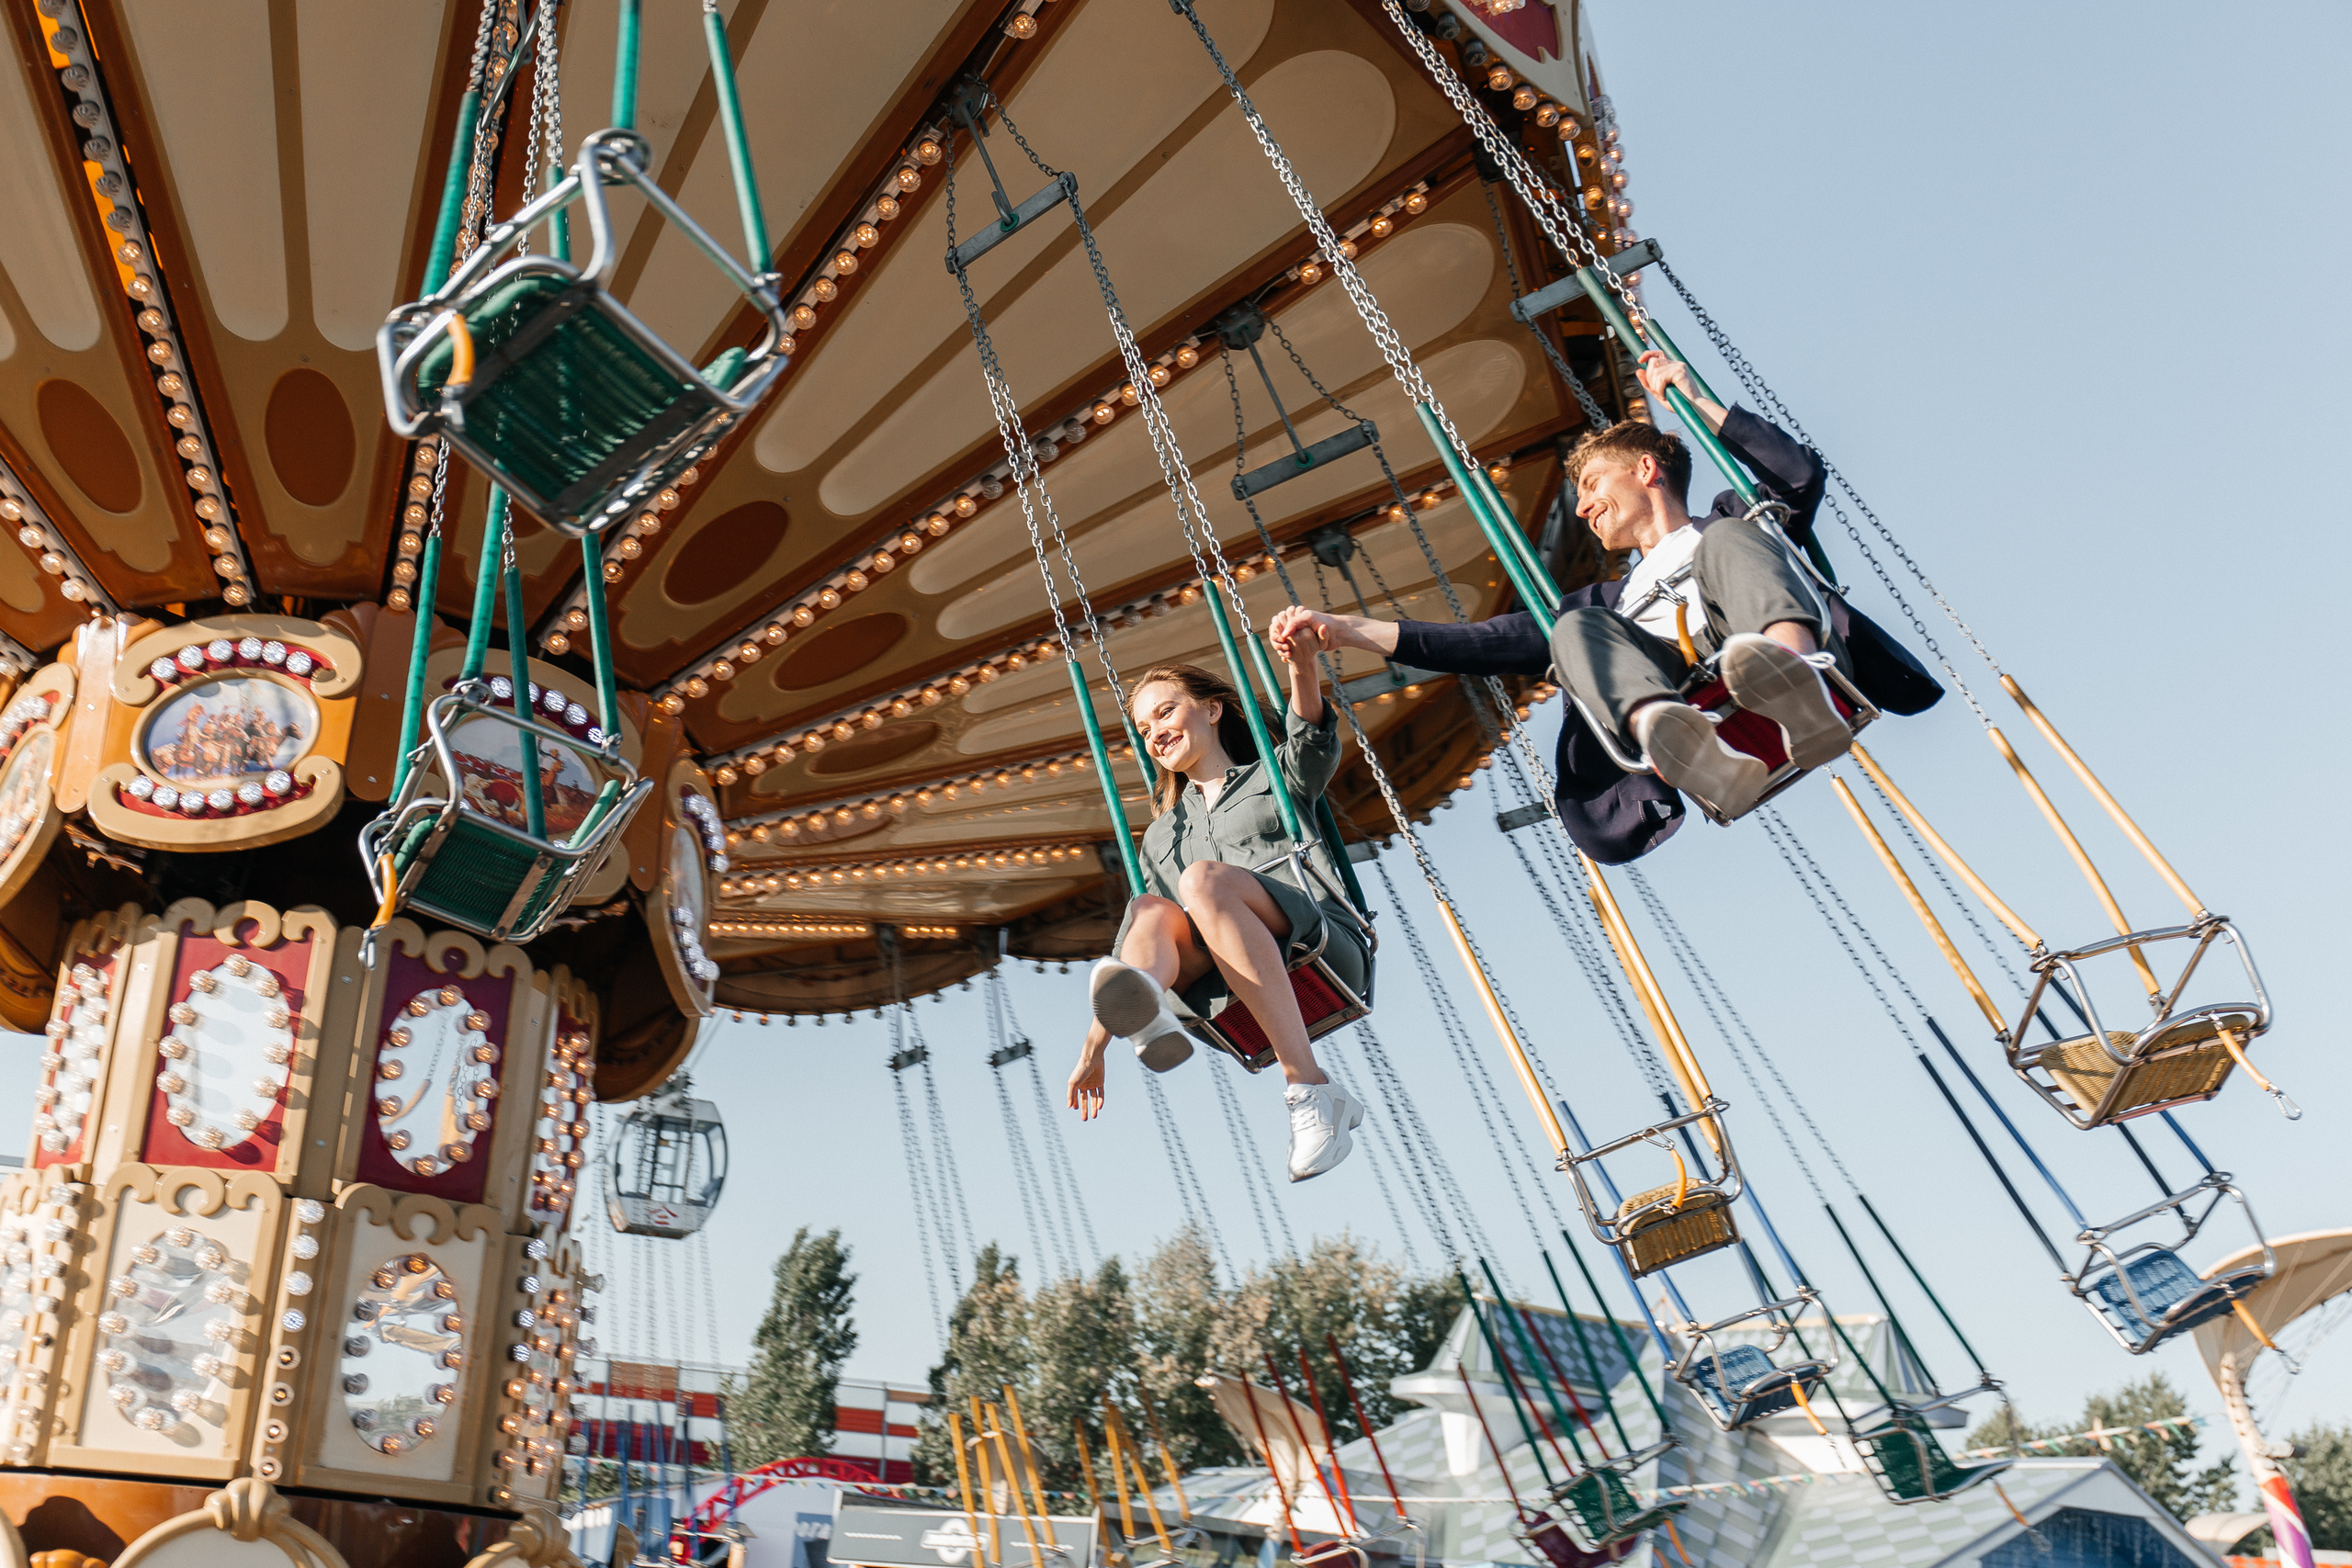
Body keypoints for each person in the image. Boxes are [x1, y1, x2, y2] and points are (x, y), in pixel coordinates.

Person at [1281, 350, 1940, 863]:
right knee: (1573, 628)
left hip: (1744, 629)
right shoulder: (1602, 601)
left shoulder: (1727, 521)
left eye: (1594, 483)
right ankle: (1675, 736)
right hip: (1680, 677)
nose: (1586, 504)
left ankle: (1793, 668)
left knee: (1734, 540)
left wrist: (1697, 403)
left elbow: (1795, 476)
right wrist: (1346, 629)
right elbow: (1481, 644)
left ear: (1647, 469)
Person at [1067, 626, 1373, 1181]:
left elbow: (1312, 735)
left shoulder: (1275, 774)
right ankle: (1150, 1020)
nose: (1154, 733)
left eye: (1165, 713)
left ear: (1211, 711)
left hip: (1317, 941)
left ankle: (1308, 1089)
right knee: (1148, 911)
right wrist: (1093, 1050)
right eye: (1143, 728)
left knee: (1203, 882)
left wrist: (1302, 665)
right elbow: (1133, 953)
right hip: (1222, 981)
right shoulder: (1163, 835)